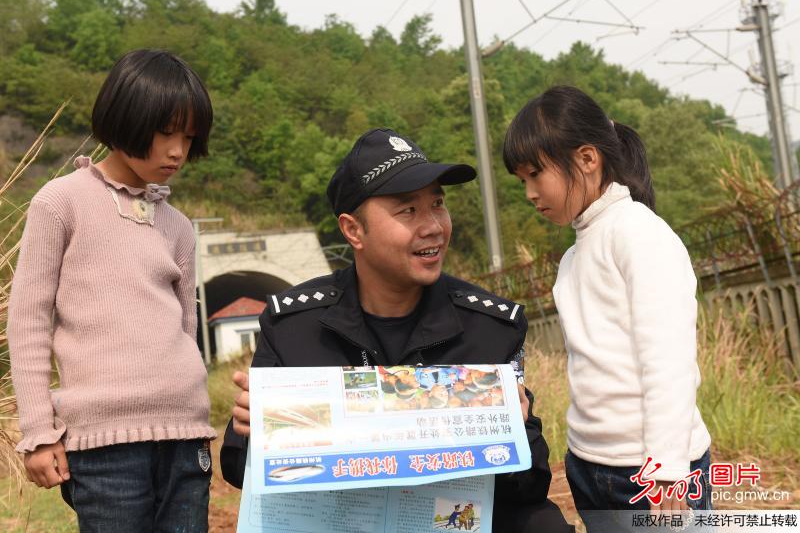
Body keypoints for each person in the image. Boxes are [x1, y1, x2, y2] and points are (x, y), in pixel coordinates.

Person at [221, 128, 573, 532]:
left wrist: (517, 429)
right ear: (354, 230)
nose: (433, 226)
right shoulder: (294, 327)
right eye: (407, 211)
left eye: (437, 204)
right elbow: (238, 469)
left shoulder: (489, 328)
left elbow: (529, 485)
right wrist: (252, 428)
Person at [8, 49, 216, 531]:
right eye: (166, 131)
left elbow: (185, 329)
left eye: (188, 137)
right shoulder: (61, 203)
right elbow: (28, 323)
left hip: (186, 439)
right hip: (103, 447)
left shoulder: (179, 227)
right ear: (125, 118)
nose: (177, 151)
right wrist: (39, 432)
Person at [503, 86, 712, 530]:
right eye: (522, 180)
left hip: (651, 470)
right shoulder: (575, 256)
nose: (529, 192)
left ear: (587, 159)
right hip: (589, 463)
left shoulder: (638, 234)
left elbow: (668, 362)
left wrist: (668, 467)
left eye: (536, 174)